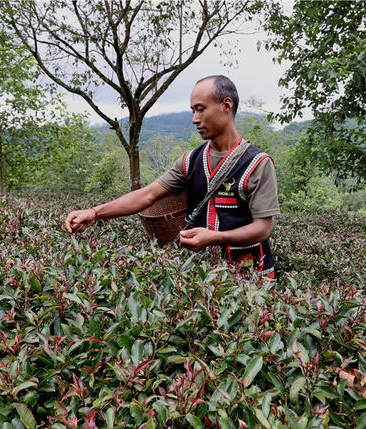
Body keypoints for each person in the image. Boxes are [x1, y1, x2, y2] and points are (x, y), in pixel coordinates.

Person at [64, 75, 280, 279]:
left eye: (201, 109)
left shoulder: (257, 164)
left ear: (226, 105)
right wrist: (94, 213)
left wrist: (216, 237)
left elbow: (262, 228)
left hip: (251, 275)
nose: (195, 119)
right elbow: (148, 195)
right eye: (192, 110)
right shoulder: (190, 161)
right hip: (204, 277)